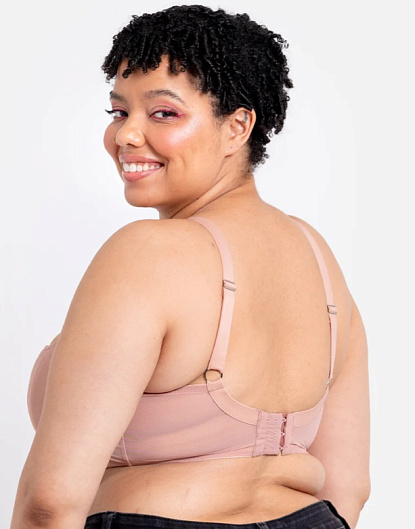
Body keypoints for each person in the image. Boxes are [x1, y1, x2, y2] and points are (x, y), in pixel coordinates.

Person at [10, 5, 370, 529]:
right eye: (119, 112)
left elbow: (49, 503)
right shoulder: (317, 257)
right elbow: (349, 488)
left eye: (163, 113)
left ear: (237, 127)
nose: (126, 135)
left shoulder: (148, 253)